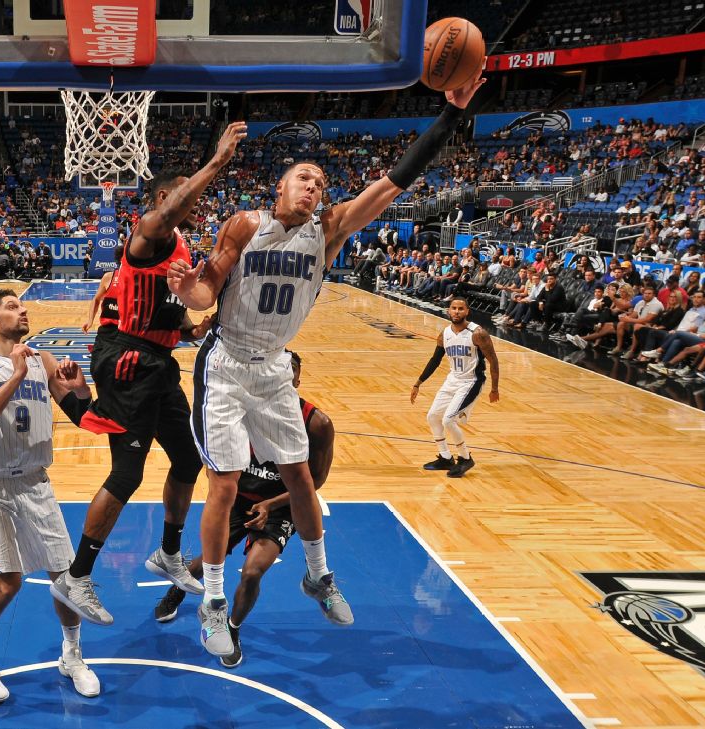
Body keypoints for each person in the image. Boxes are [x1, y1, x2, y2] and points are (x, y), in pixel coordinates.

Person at [167, 69, 486, 656]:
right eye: (302, 178)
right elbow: (206, 293)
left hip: (273, 365)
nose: (313, 186)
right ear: (280, 189)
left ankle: (317, 574)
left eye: (320, 180)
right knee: (226, 482)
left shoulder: (329, 230)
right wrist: (187, 288)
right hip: (227, 360)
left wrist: (451, 115)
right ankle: (212, 603)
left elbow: (395, 183)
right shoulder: (246, 225)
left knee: (300, 475)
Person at [49, 123, 248, 627]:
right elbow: (170, 213)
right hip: (127, 358)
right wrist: (217, 160)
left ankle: (168, 553)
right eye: (179, 198)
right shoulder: (148, 233)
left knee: (187, 458)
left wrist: (199, 325)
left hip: (158, 361)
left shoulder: (179, 249)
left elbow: (173, 316)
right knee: (127, 473)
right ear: (164, 197)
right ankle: (77, 575)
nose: (190, 207)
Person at [0, 291, 100, 703]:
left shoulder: (44, 360)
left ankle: (72, 656)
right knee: (6, 585)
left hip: (35, 482)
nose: (23, 310)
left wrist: (81, 387)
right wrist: (14, 377)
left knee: (65, 579)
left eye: (23, 305)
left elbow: (85, 416)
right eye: (13, 307)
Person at [153, 351, 335, 668]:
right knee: (213, 555)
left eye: (287, 373)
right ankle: (178, 591)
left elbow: (314, 481)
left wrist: (270, 504)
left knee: (252, 573)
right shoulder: (238, 412)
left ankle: (233, 630)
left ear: (296, 379)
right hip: (240, 497)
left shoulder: (316, 424)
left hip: (282, 505)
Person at [412, 297, 502, 477]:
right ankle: (445, 457)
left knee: (448, 420)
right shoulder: (444, 333)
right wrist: (418, 383)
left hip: (471, 381)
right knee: (432, 416)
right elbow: (435, 360)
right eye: (454, 308)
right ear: (448, 311)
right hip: (452, 380)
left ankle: (465, 458)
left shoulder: (478, 333)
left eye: (461, 309)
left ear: (467, 311)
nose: (457, 312)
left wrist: (494, 388)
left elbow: (494, 361)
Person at [80, 246, 124, 334]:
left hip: (125, 332)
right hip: (107, 330)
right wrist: (90, 320)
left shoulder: (136, 279)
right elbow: (96, 299)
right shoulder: (109, 277)